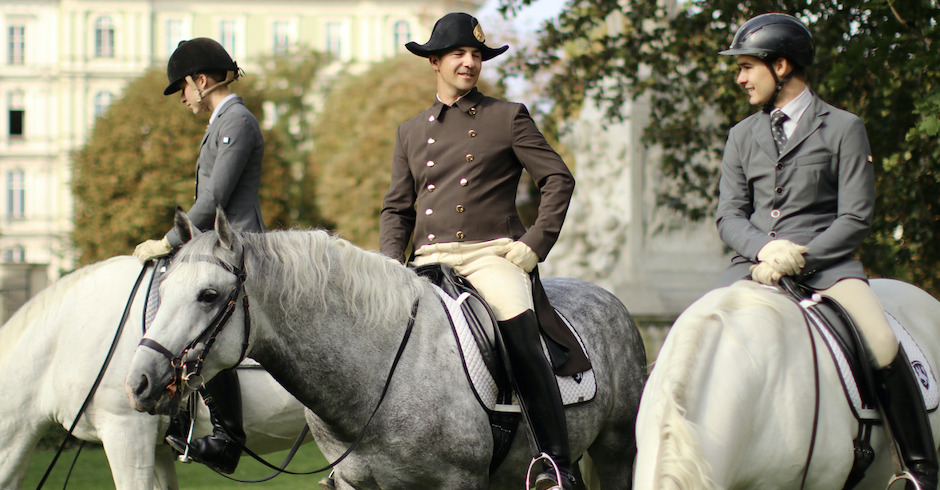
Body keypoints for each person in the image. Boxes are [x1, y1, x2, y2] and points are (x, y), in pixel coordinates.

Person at [716, 13, 937, 490]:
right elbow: (729, 217)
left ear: (780, 66)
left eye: (747, 66)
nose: (739, 78)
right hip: (753, 270)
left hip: (829, 269)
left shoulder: (843, 127)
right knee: (689, 342)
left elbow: (855, 218)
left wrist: (802, 255)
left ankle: (919, 470)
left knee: (881, 343)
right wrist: (767, 251)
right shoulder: (740, 135)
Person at [379, 12, 577, 490]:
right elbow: (396, 210)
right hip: (427, 261)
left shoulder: (507, 117)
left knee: (519, 330)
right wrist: (388, 264)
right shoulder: (410, 131)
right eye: (459, 54)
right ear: (435, 62)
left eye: (476, 55)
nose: (469, 63)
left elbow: (557, 179)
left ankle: (555, 464)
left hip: (492, 254)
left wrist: (534, 244)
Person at [133, 37, 265, 475]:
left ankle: (228, 438)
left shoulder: (236, 121)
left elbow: (212, 201)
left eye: (184, 89)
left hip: (237, 246)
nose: (184, 98)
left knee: (210, 325)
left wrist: (169, 241)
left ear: (202, 81)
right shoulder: (221, 123)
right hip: (217, 244)